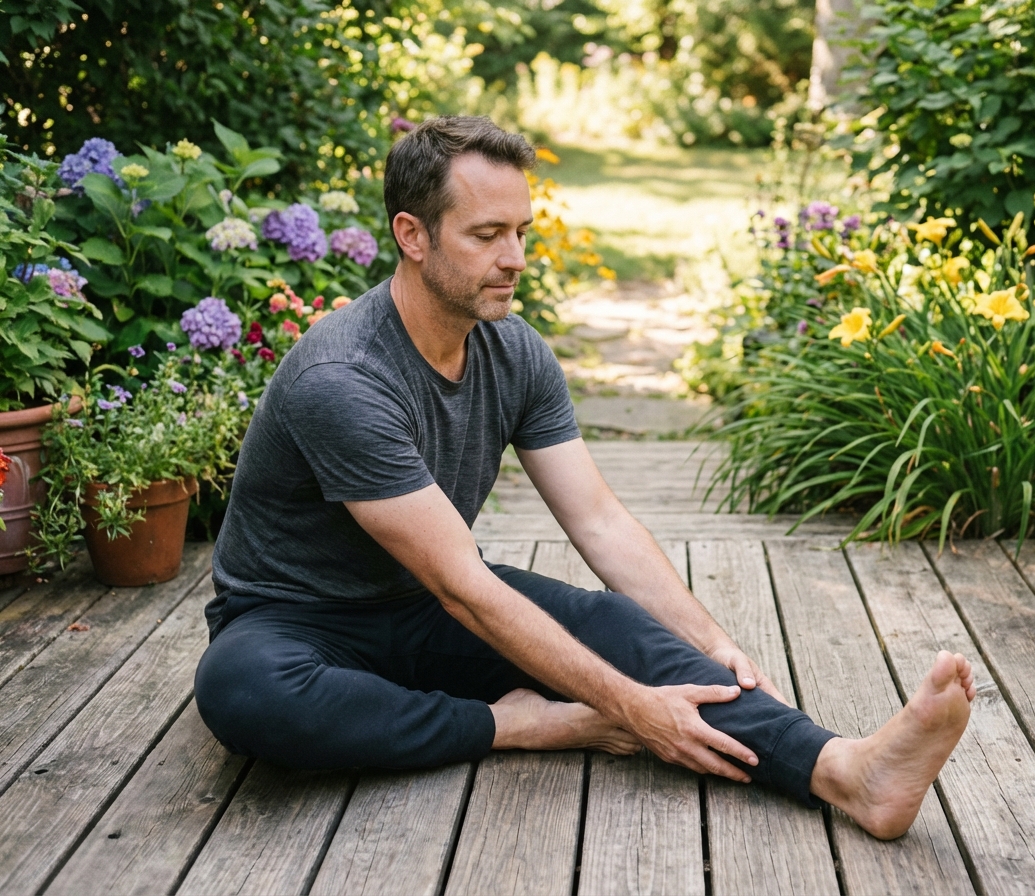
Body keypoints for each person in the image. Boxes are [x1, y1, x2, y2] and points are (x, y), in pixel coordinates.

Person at [194, 116, 976, 841]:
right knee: (244, 691)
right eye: (487, 235)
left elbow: (600, 522)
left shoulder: (513, 350)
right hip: (297, 621)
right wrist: (623, 709)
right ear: (413, 235)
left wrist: (709, 640)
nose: (516, 259)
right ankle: (522, 724)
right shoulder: (343, 378)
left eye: (522, 232)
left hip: (419, 607)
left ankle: (847, 771)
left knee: (615, 627)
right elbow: (465, 585)